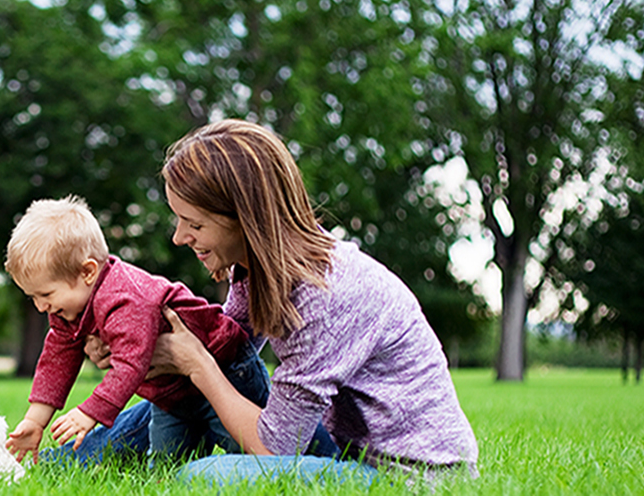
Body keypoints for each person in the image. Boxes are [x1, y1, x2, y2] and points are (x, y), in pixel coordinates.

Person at [148, 119, 479, 485]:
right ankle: (78, 454)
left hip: (403, 477)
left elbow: (275, 448)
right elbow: (226, 351)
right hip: (343, 450)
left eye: (194, 224)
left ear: (245, 219)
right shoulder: (257, 267)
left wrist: (197, 365)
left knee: (200, 477)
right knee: (198, 375)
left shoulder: (323, 294)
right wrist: (141, 347)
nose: (179, 237)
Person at [2, 196, 310, 463]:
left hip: (227, 371)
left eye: (45, 295)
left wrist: (90, 412)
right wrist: (35, 421)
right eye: (33, 298)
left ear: (87, 272)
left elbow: (130, 365)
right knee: (164, 467)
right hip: (170, 394)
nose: (40, 307)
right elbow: (57, 357)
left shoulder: (124, 297)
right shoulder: (70, 308)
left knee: (254, 457)